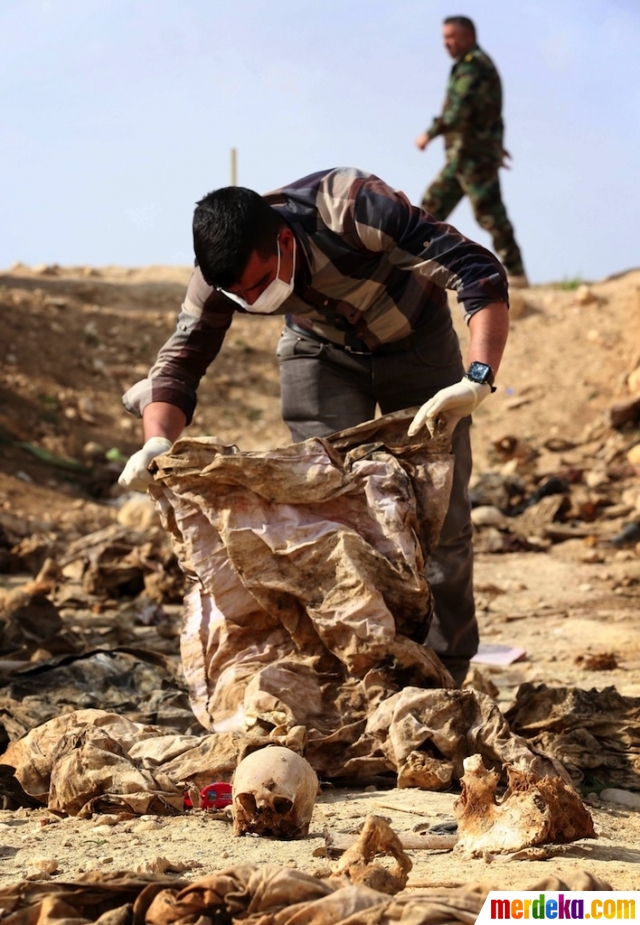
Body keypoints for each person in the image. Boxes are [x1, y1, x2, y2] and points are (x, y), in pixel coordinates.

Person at [118, 166, 509, 685]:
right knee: (326, 514)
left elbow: (478, 271)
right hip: (319, 353)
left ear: (284, 239)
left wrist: (478, 379)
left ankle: (445, 671)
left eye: (259, 284)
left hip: (416, 339)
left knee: (443, 518)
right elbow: (180, 361)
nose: (253, 301)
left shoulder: (353, 208)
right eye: (240, 296)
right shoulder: (218, 276)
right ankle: (354, 672)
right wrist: (157, 441)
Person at [415, 15, 528, 287]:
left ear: (468, 37)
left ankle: (516, 273)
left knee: (488, 213)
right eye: (444, 37)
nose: (446, 43)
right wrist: (496, 145)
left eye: (451, 37)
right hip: (465, 155)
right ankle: (413, 270)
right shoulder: (470, 65)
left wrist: (429, 134)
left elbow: (460, 111)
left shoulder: (474, 66)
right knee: (432, 206)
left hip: (472, 157)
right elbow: (488, 113)